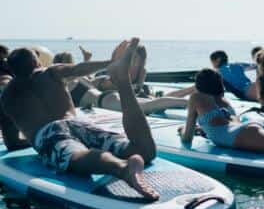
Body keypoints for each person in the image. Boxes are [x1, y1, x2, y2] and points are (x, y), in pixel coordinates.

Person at [0, 39, 159, 199]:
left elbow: (13, 143)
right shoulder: (50, 72)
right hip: (77, 124)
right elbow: (77, 69)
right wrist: (110, 62)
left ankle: (121, 168)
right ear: (37, 61)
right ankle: (123, 82)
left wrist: (33, 140)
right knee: (144, 151)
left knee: (76, 155)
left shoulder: (7, 97)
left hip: (48, 133)